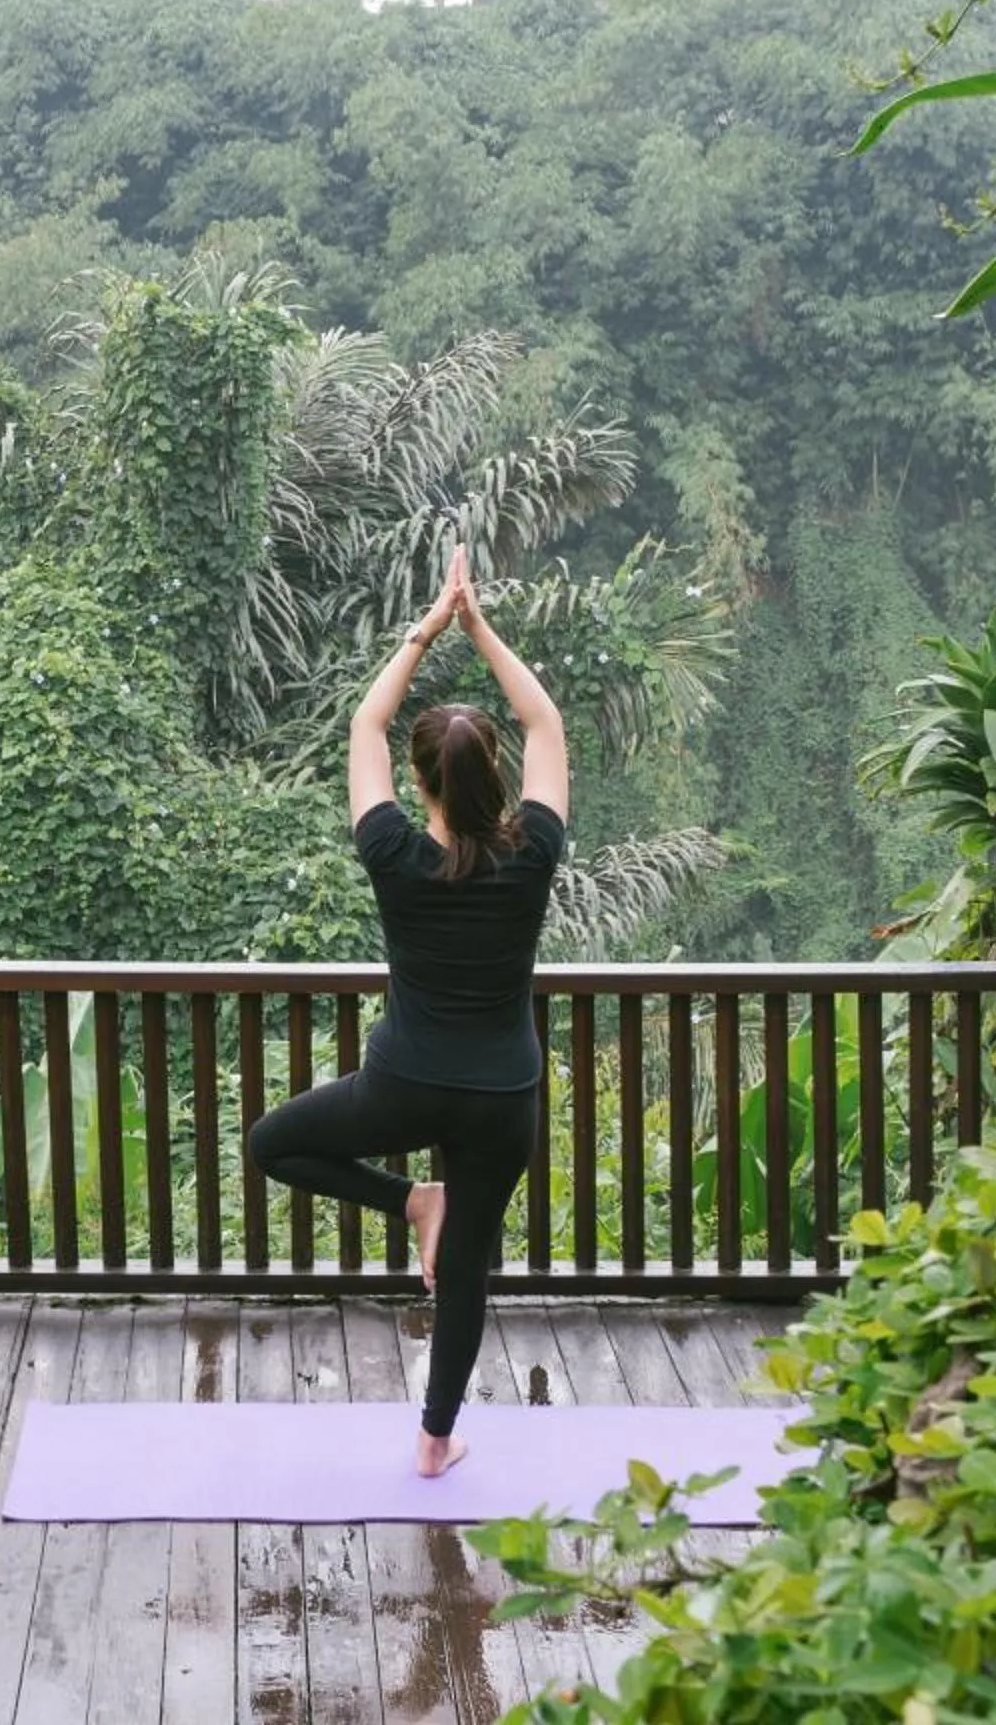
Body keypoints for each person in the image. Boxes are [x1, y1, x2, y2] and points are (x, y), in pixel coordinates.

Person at [245, 543, 568, 1477]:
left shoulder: (392, 850)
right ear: (497, 779)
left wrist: (429, 628)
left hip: (405, 1083)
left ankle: (408, 1202)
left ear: (421, 782)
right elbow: (541, 718)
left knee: (274, 1144)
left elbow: (365, 721)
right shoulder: (532, 853)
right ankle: (435, 1441)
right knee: (467, 1268)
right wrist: (481, 627)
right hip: (504, 1094)